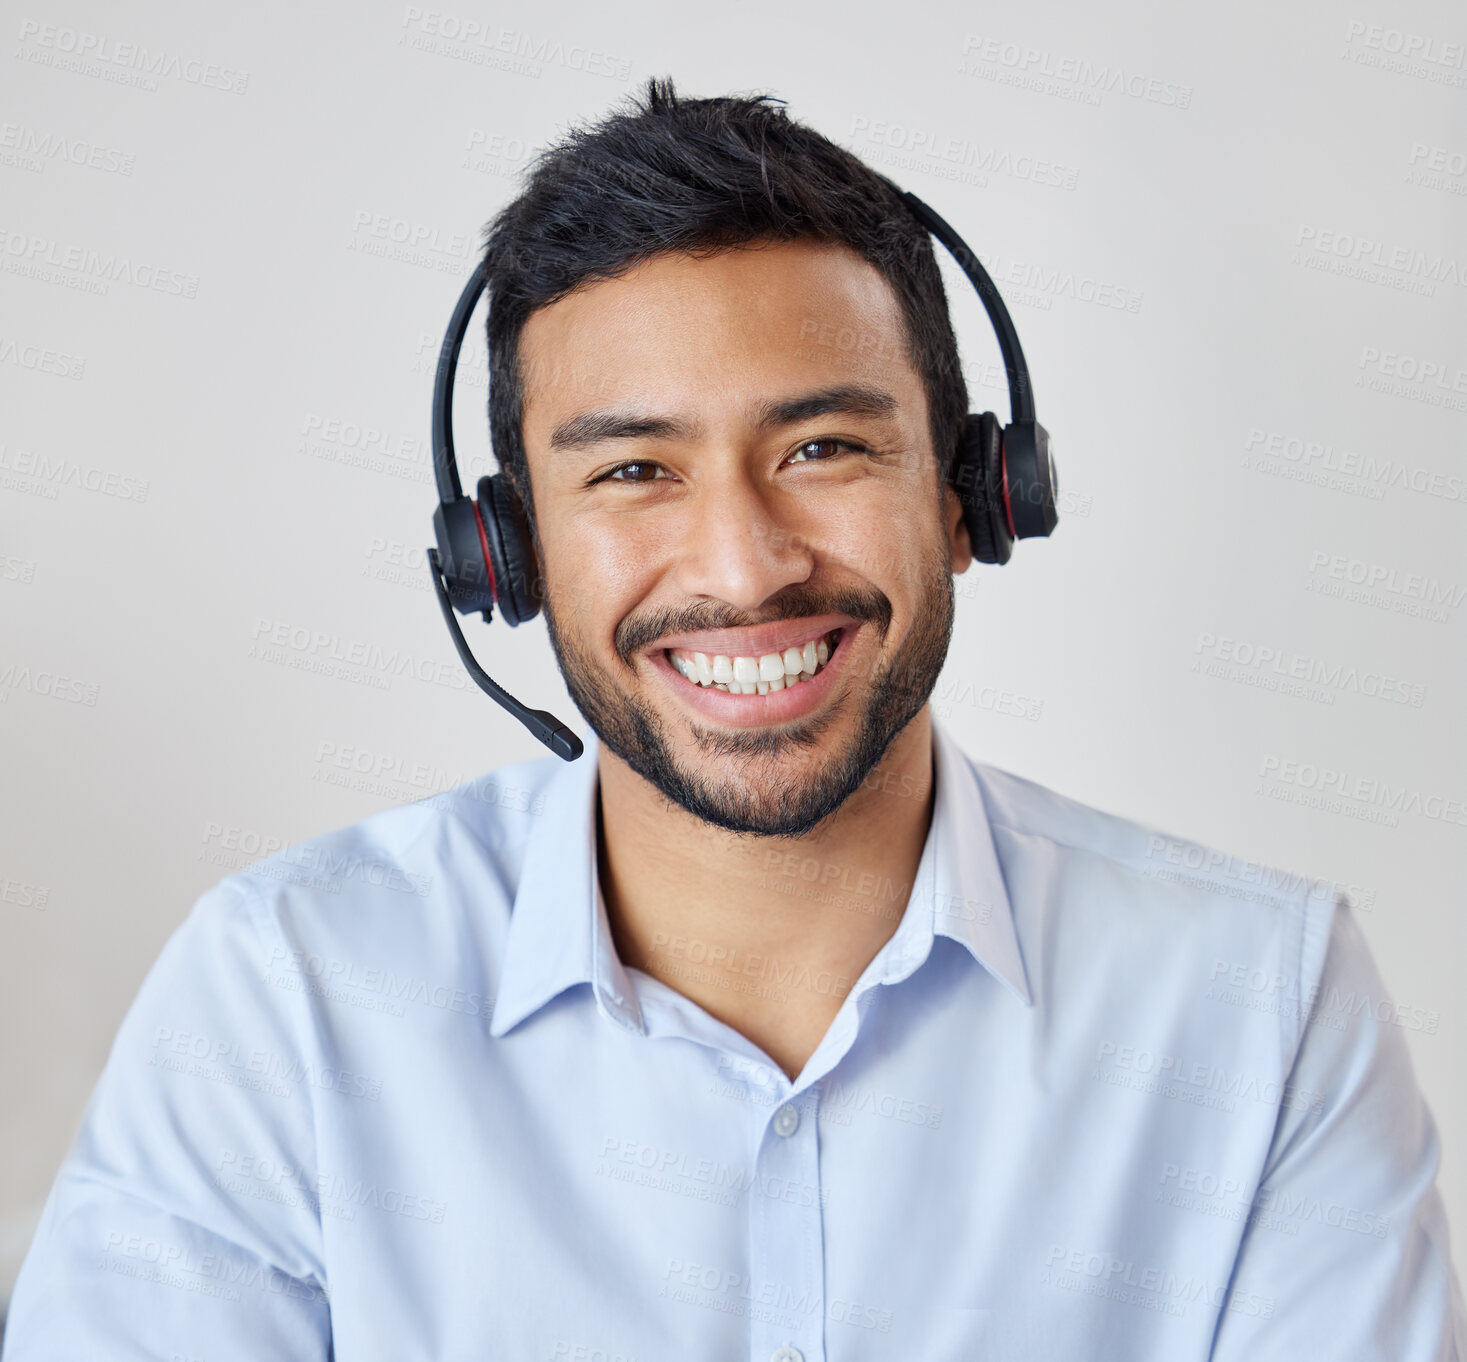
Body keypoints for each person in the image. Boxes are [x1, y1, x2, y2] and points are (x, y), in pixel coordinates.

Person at [5, 77, 1463, 1361]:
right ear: (503, 555)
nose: (744, 565)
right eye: (634, 472)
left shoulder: (1262, 1004)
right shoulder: (286, 999)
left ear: (972, 496)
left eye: (823, 446)